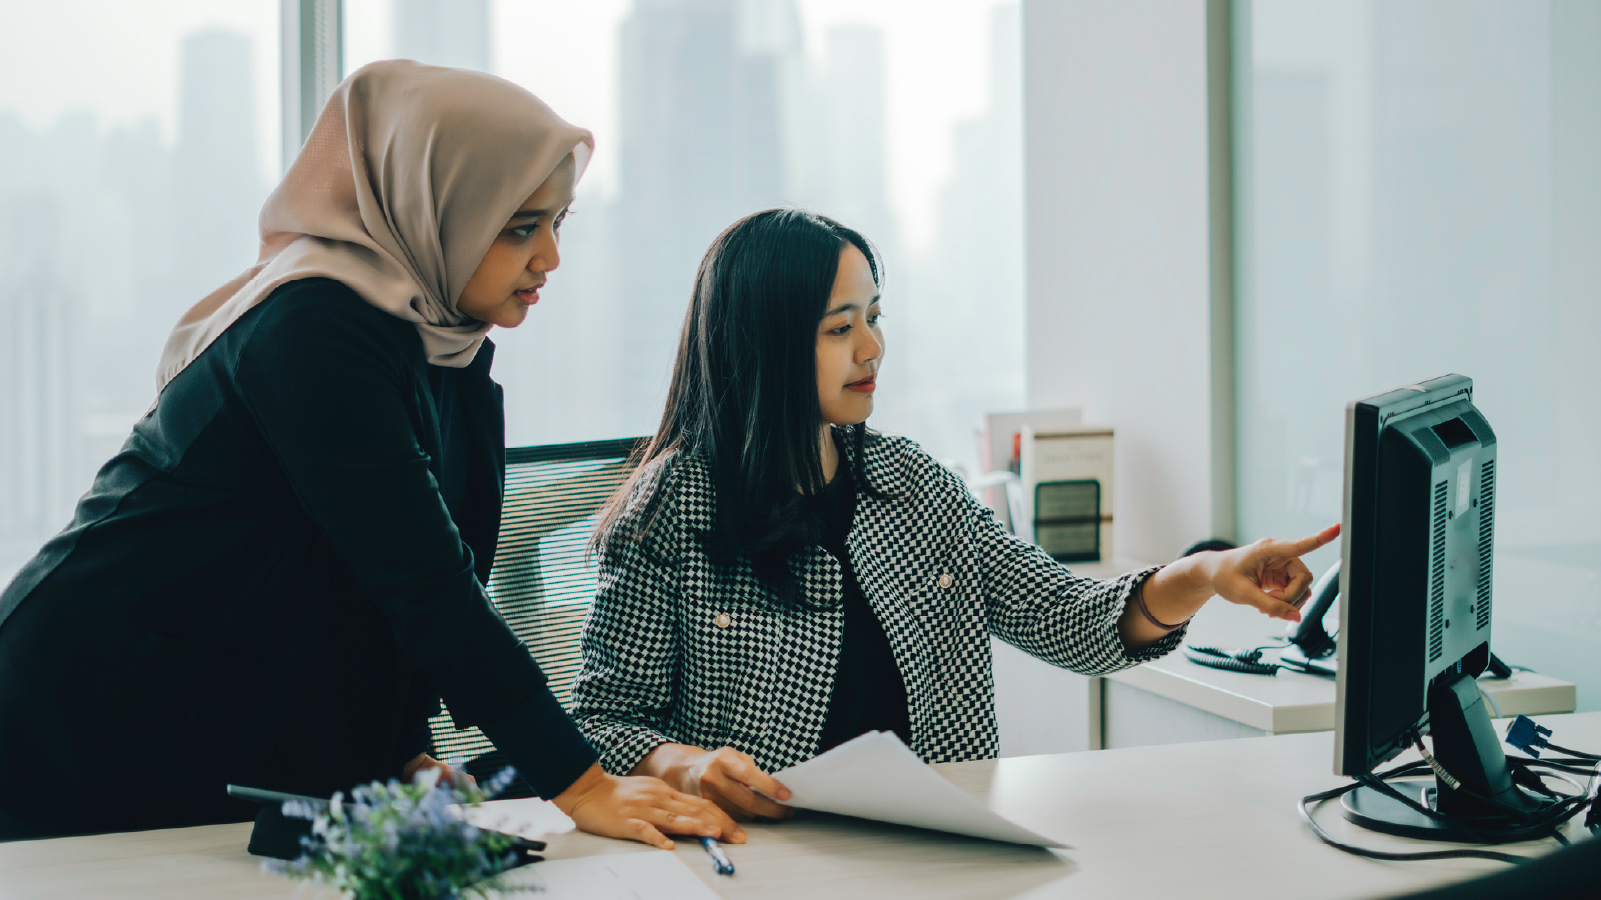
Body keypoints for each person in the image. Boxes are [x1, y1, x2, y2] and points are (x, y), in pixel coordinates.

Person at [0, 61, 739, 849]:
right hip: (85, 708)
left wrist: (393, 749)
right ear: (435, 207)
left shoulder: (442, 347)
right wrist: (581, 784)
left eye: (560, 222)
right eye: (520, 226)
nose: (549, 257)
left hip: (201, 708)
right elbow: (427, 584)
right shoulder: (312, 328)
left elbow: (364, 580)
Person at [570, 209, 1339, 819]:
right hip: (759, 855)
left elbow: (1070, 618)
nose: (872, 346)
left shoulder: (909, 482)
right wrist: (692, 768)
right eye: (839, 328)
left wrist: (1204, 574)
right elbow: (603, 723)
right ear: (763, 344)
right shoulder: (670, 507)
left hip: (938, 843)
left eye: (874, 315)